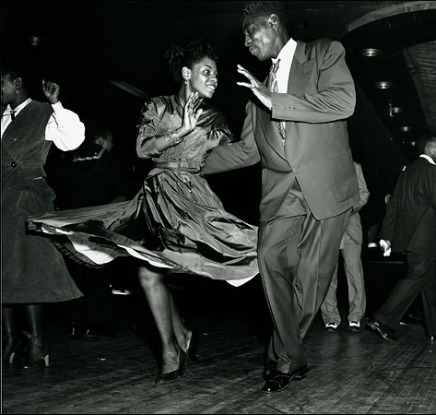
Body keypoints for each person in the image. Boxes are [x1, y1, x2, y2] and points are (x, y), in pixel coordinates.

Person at [29, 40, 259, 383]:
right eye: (206, 72)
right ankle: (170, 347)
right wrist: (181, 130)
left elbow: (239, 154)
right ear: (186, 73)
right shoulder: (158, 106)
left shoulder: (215, 118)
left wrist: (260, 108)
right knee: (148, 273)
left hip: (192, 201)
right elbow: (142, 149)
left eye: (216, 74)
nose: (214, 79)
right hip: (156, 195)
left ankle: (180, 335)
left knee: (219, 257)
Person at [203, 1, 359, 393]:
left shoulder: (323, 52)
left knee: (311, 282)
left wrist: (276, 101)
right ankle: (291, 356)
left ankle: (286, 358)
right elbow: (247, 151)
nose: (245, 42)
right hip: (281, 193)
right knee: (269, 257)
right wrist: (188, 162)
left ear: (272, 22)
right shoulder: (254, 92)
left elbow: (344, 101)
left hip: (326, 187)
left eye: (249, 32)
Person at [1, 57, 85, 368]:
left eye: (1, 83)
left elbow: (73, 139)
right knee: (3, 271)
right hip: (1, 200)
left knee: (28, 270)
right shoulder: (1, 118)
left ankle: (37, 341)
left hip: (28, 201)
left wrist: (57, 104)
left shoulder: (43, 112)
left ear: (17, 82)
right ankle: (9, 338)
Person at [364, 136, 436, 342]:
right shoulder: (430, 169)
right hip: (423, 238)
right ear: (430, 148)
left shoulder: (408, 171)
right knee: (417, 276)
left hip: (410, 237)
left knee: (427, 282)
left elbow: (394, 204)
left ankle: (435, 330)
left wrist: (386, 235)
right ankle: (382, 319)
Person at [55, 124, 136, 337]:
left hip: (71, 224)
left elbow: (58, 191)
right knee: (99, 272)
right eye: (111, 141)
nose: (112, 145)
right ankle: (94, 324)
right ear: (101, 140)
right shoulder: (108, 160)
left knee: (76, 274)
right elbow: (124, 192)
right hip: (98, 223)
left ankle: (74, 324)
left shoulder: (68, 159)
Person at [320, 161, 369, 333]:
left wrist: (348, 210)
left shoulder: (355, 166)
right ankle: (330, 317)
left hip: (350, 228)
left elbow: (364, 193)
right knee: (327, 275)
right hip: (327, 228)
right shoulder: (319, 165)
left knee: (354, 273)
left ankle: (355, 317)